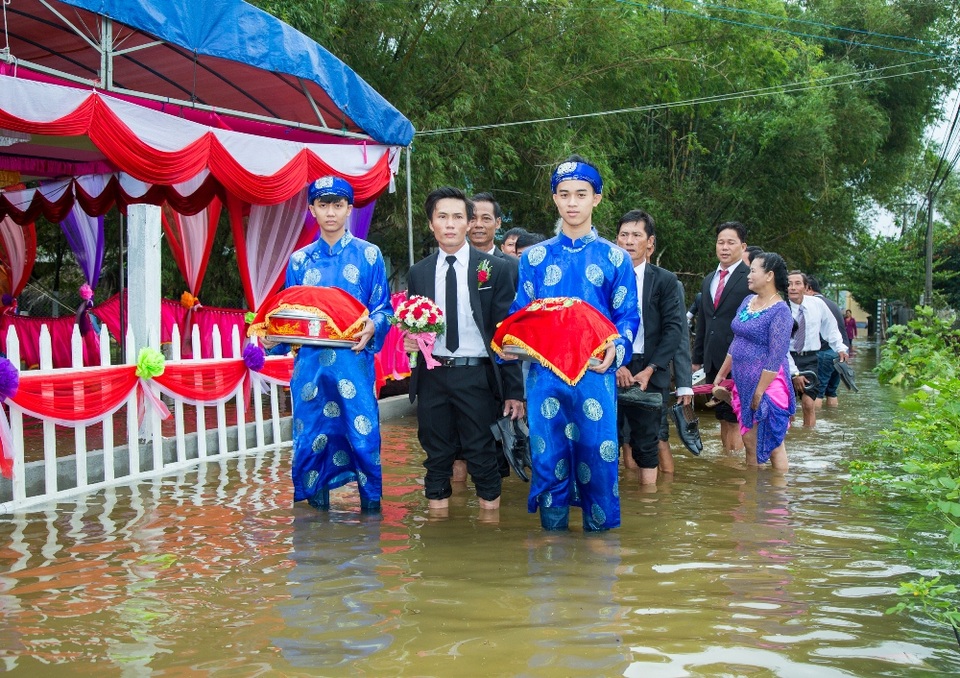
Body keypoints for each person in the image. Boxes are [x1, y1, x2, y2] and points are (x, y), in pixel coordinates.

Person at [510, 155, 639, 531]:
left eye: (580, 194)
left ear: (596, 199)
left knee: (599, 460)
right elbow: (523, 312)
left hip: (594, 374)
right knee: (548, 461)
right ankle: (552, 551)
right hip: (544, 375)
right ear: (554, 199)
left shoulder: (615, 257)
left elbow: (627, 316)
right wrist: (509, 340)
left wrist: (618, 348)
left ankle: (600, 554)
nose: (572, 202)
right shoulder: (534, 257)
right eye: (564, 194)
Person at [269, 176, 393, 513]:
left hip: (353, 365)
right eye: (323, 205)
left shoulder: (369, 255)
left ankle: (371, 513)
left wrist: (374, 324)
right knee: (312, 440)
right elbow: (288, 314)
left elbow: (383, 307)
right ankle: (314, 520)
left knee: (364, 439)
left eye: (338, 205)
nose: (331, 213)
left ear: (350, 209)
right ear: (312, 209)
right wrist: (269, 338)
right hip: (310, 370)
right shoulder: (299, 261)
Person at [406, 187, 524, 515]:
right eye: (442, 217)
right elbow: (414, 328)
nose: (450, 224)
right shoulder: (419, 272)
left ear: (469, 222)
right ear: (431, 223)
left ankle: (489, 537)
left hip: (477, 374)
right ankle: (438, 536)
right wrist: (410, 344)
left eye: (457, 217)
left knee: (483, 455)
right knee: (436, 457)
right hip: (432, 375)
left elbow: (506, 334)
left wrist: (514, 391)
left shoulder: (494, 269)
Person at [614, 209, 683, 486]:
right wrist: (616, 363)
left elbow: (674, 329)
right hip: (609, 364)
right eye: (623, 235)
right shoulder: (604, 277)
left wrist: (651, 369)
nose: (629, 241)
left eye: (636, 235)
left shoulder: (665, 281)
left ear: (650, 243)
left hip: (650, 369)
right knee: (608, 436)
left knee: (647, 441)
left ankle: (649, 505)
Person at [711, 252, 795, 470]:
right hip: (743, 381)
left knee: (773, 442)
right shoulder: (748, 301)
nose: (748, 275)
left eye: (753, 270)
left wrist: (759, 392)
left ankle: (777, 498)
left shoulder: (781, 311)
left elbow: (776, 357)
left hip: (768, 385)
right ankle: (752, 497)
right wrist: (722, 372)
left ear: (769, 275)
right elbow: (737, 341)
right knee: (749, 441)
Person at [692, 222, 751, 452]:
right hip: (713, 361)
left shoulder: (749, 278)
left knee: (736, 417)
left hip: (741, 360)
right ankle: (729, 460)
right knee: (724, 417)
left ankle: (735, 471)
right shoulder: (709, 279)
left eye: (731, 242)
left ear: (742, 246)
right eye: (720, 242)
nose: (724, 247)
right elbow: (706, 322)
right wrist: (697, 359)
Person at [786, 271, 848, 428]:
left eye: (797, 283)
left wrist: (840, 347)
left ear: (806, 287)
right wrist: (795, 373)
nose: (793, 287)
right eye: (789, 284)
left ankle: (809, 439)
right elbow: (779, 344)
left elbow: (830, 327)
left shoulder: (817, 305)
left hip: (810, 359)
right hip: (786, 358)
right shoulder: (781, 308)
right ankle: (788, 440)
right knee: (787, 408)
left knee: (808, 404)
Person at [806, 276, 848, 408]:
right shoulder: (832, 304)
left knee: (817, 391)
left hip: (825, 352)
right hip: (841, 351)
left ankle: (815, 426)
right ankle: (831, 417)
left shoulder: (813, 305)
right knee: (832, 391)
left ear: (809, 289)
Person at [467, 192, 507, 258]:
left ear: (498, 223)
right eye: (472, 218)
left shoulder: (512, 265)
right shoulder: (453, 263)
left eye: (486, 218)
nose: (478, 225)